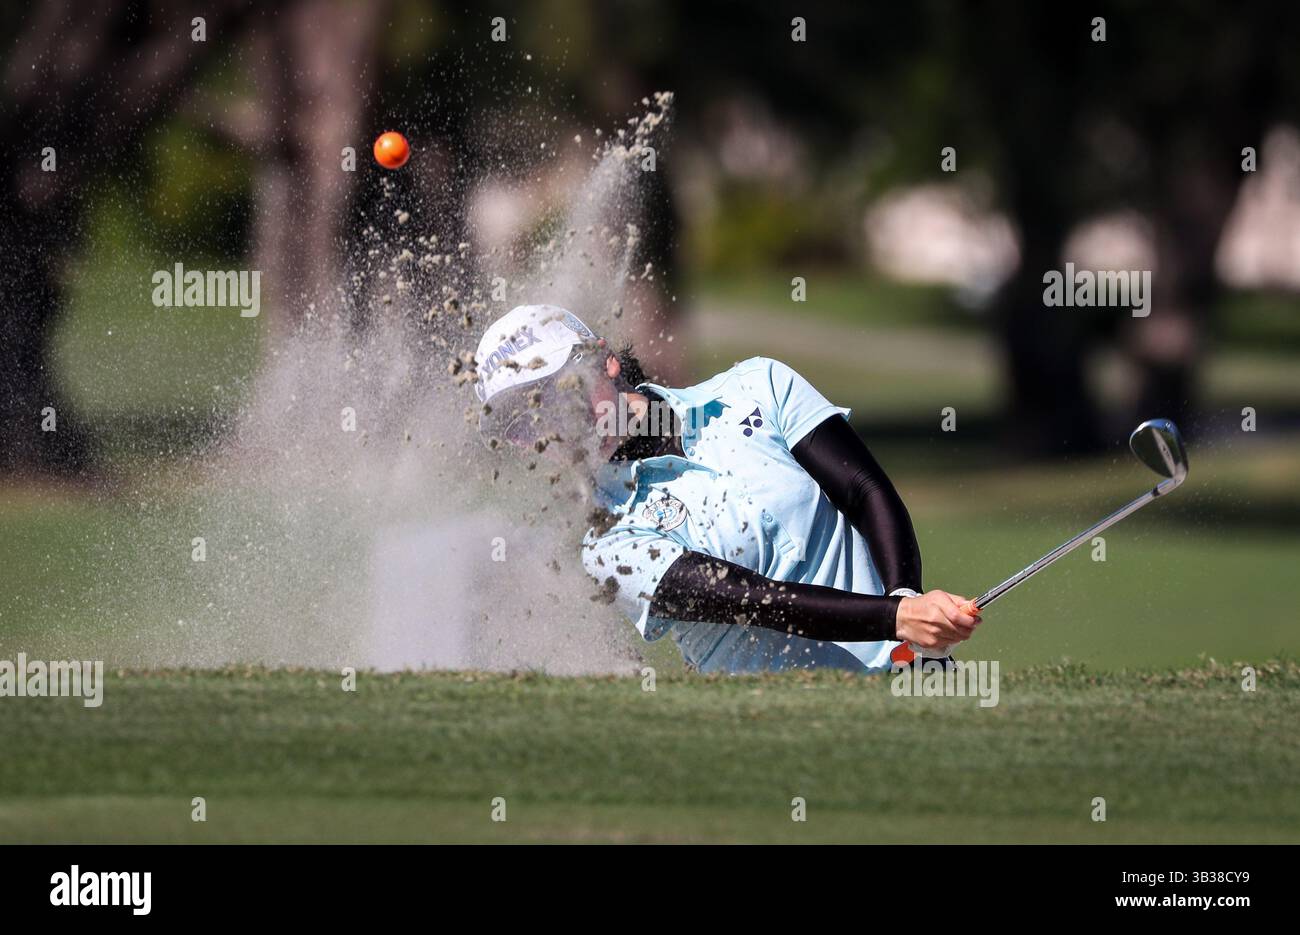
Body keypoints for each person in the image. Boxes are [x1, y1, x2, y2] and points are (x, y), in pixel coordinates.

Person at [474, 304, 981, 674]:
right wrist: (895, 618)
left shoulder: (756, 387)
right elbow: (752, 599)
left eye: (557, 392)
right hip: (777, 739)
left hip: (913, 680)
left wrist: (906, 599)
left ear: (603, 360)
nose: (553, 425)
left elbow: (864, 490)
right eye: (523, 421)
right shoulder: (606, 546)